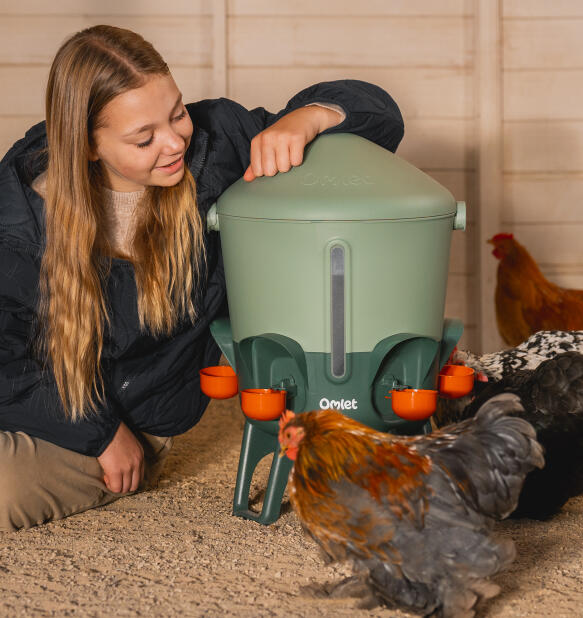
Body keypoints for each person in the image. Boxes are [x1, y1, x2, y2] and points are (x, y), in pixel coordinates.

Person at [0, 25, 404, 531]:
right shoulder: (18, 216)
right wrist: (96, 431)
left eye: (177, 113)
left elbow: (382, 118)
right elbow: (6, 356)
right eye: (144, 138)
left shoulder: (217, 145)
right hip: (50, 400)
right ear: (86, 147)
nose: (173, 142)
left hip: (125, 416)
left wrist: (308, 118)